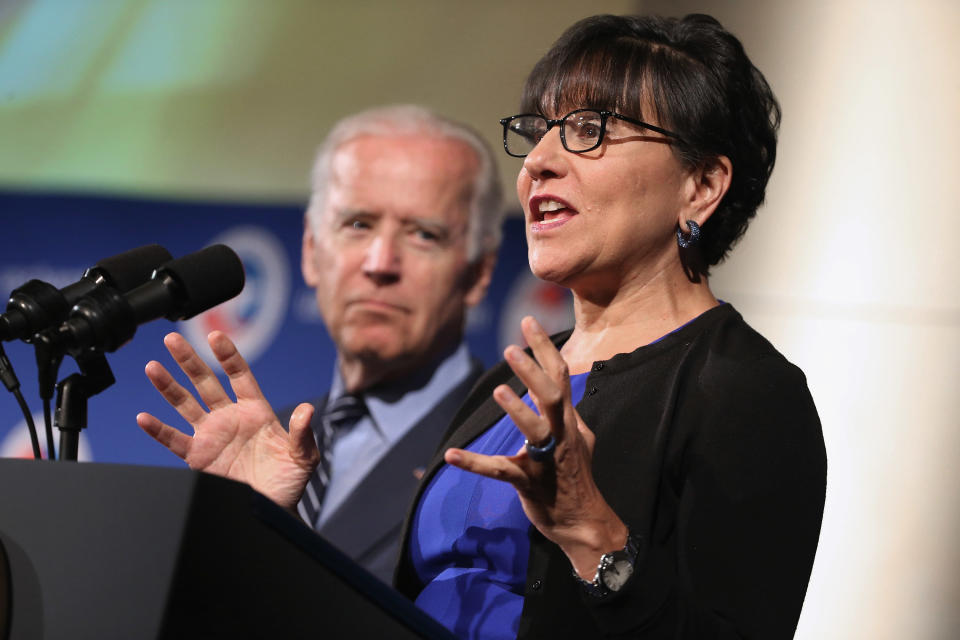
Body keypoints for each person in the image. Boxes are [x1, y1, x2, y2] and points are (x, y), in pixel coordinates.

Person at [139, 13, 826, 639]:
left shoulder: (742, 393)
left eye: (590, 130)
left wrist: (594, 535)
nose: (539, 163)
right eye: (539, 132)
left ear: (701, 186)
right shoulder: (511, 380)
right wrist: (274, 528)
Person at [136, 105, 504, 584]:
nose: (380, 262)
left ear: (479, 273)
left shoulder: (505, 450)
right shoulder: (255, 447)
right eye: (358, 225)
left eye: (423, 234)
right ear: (311, 250)